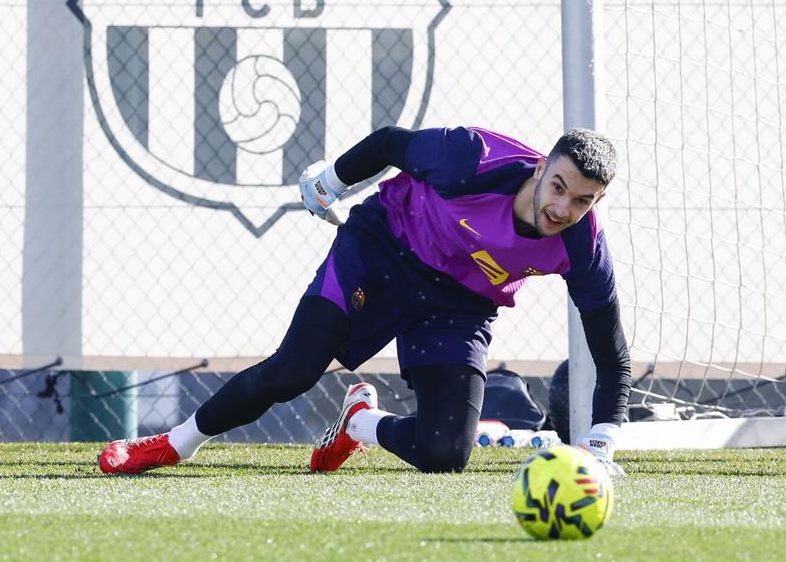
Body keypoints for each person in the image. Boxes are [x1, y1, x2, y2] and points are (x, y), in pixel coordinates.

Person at [98, 125, 632, 476]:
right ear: (540, 168)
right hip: (381, 249)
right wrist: (331, 181)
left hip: (460, 305)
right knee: (292, 372)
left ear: (597, 200)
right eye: (558, 186)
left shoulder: (583, 247)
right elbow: (389, 144)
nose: (562, 207)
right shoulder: (471, 156)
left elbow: (612, 355)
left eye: (582, 200)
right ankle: (176, 442)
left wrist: (603, 440)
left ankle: (360, 422)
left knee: (445, 453)